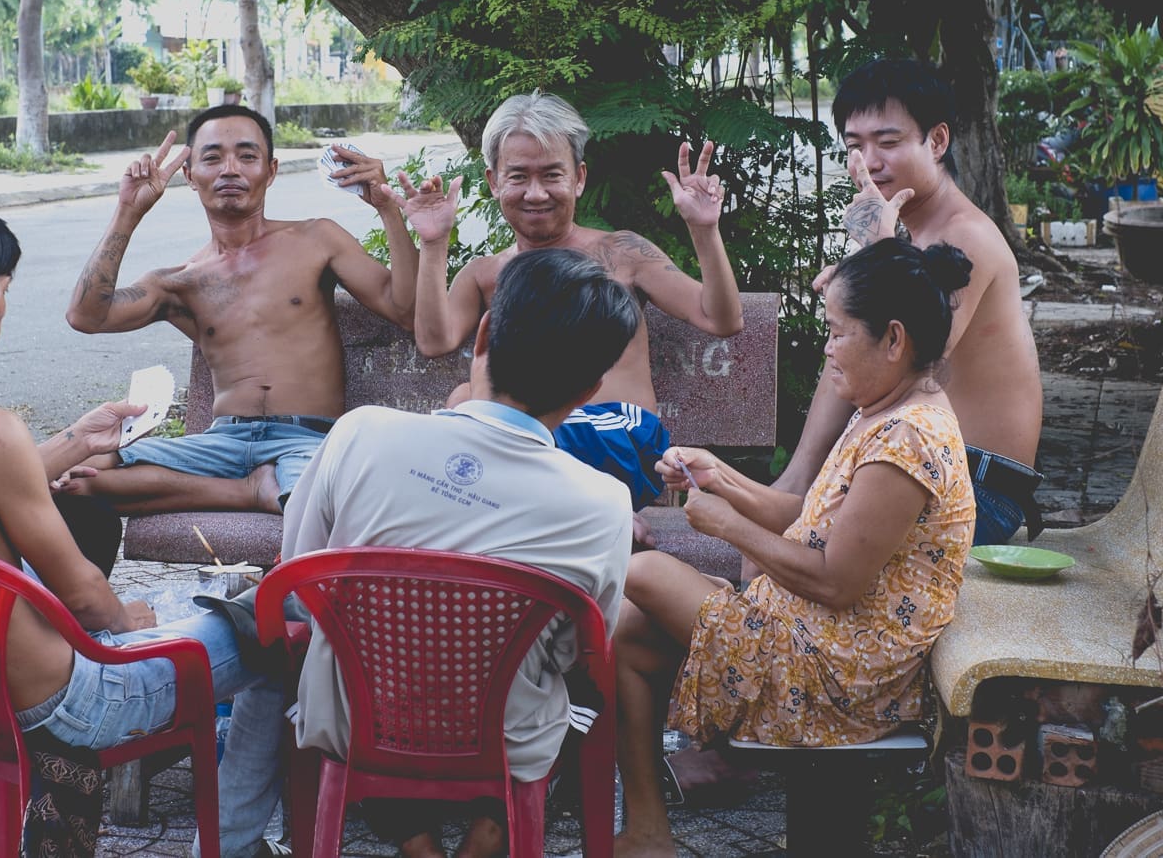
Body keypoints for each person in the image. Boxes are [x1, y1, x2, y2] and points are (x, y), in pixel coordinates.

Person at [0, 197, 275, 829]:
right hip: (68, 702)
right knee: (282, 631)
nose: (3, 310)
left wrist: (77, 440)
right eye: (2, 292)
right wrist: (127, 618)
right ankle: (237, 842)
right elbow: (89, 600)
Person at [207, 248, 640, 858]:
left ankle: (417, 847)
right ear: (593, 387)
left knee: (370, 672)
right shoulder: (602, 502)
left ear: (484, 333)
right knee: (583, 693)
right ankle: (487, 840)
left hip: (354, 719)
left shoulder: (362, 433)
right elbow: (576, 650)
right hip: (503, 736)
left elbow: (300, 575)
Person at [611, 238, 976, 858]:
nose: (828, 350)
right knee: (624, 631)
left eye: (837, 334)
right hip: (815, 631)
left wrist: (724, 524)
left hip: (845, 671)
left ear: (894, 340)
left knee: (642, 570)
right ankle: (647, 834)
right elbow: (807, 519)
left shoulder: (906, 439)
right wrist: (718, 475)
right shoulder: (884, 409)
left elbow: (837, 582)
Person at [60, 104, 418, 515]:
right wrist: (128, 210)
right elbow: (86, 315)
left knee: (316, 505)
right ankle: (249, 491)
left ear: (271, 170)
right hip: (219, 445)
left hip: (307, 441)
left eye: (247, 156)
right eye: (212, 158)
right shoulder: (182, 281)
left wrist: (388, 208)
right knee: (71, 474)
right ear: (190, 176)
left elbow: (404, 308)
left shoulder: (317, 239)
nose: (230, 169)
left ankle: (269, 491)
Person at [402, 91, 743, 520]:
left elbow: (722, 319)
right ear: (493, 182)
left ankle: (585, 514)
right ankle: (579, 519)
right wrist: (434, 244)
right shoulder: (486, 273)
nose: (536, 193)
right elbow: (435, 342)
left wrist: (703, 230)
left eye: (551, 175)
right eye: (519, 177)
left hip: (619, 439)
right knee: (462, 399)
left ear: (579, 178)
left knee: (474, 416)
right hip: (535, 451)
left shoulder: (622, 252)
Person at [773, 59, 1042, 545]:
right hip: (916, 465)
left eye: (889, 143)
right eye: (855, 147)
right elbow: (851, 356)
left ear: (936, 142)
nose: (869, 162)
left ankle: (795, 487)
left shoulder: (965, 237)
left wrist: (874, 254)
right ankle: (795, 481)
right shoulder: (914, 233)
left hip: (979, 487)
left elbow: (906, 368)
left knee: (794, 550)